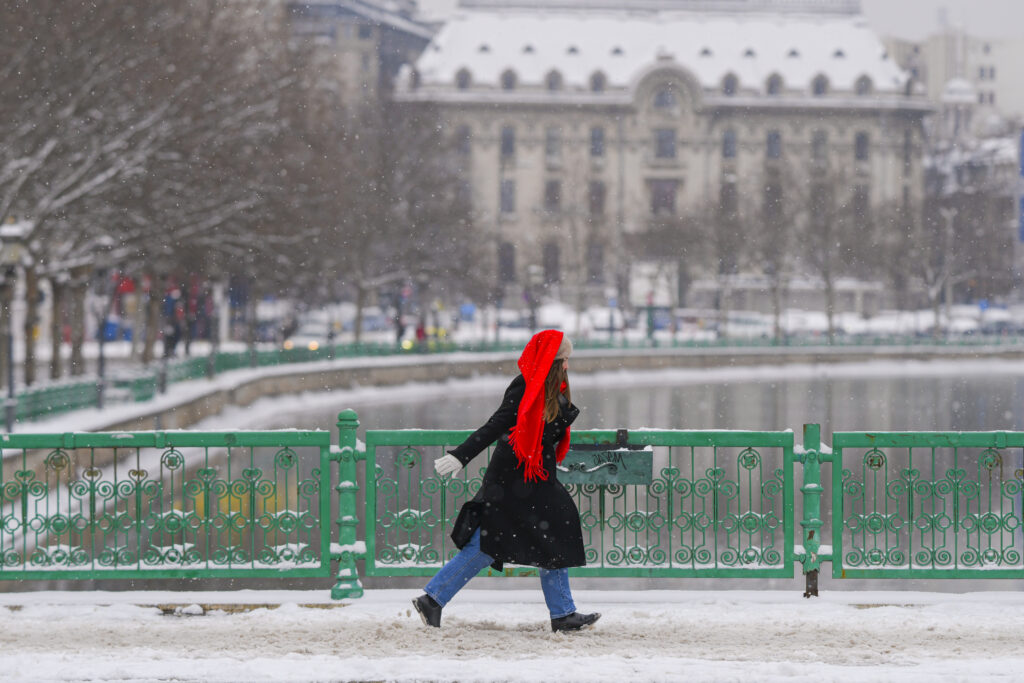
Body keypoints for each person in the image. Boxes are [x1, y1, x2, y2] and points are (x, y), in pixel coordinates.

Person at [412, 329, 600, 633]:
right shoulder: (525, 384)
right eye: (563, 360)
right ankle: (433, 598)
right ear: (550, 360)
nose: (567, 366)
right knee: (496, 542)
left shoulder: (553, 386)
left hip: (532, 478)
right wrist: (461, 455)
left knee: (525, 539)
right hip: (514, 479)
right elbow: (497, 424)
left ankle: (433, 599)